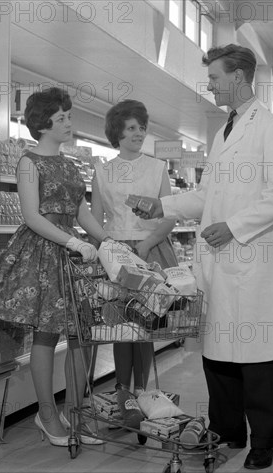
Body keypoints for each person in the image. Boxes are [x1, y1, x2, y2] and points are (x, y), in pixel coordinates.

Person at [132, 44, 273, 470]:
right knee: (217, 350)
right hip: (217, 261)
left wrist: (236, 226)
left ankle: (263, 441)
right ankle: (229, 431)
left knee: (257, 354)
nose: (210, 84)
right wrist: (162, 207)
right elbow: (207, 194)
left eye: (216, 78)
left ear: (239, 77)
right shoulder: (223, 131)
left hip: (251, 257)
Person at [0, 87, 110, 447]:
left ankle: (78, 412)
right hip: (45, 252)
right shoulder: (28, 162)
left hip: (74, 254)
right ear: (43, 123)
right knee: (48, 334)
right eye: (62, 117)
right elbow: (32, 216)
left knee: (82, 335)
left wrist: (107, 240)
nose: (69, 122)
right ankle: (48, 414)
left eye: (69, 115)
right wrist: (74, 241)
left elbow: (81, 211)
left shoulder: (69, 165)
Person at [90, 100, 178, 426]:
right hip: (115, 255)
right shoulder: (103, 170)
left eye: (141, 127)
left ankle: (141, 391)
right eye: (130, 127)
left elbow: (169, 216)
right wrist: (104, 246)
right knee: (120, 327)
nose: (138, 133)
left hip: (149, 251)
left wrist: (145, 244)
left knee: (144, 327)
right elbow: (97, 218)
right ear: (117, 132)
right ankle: (123, 393)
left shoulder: (158, 168)